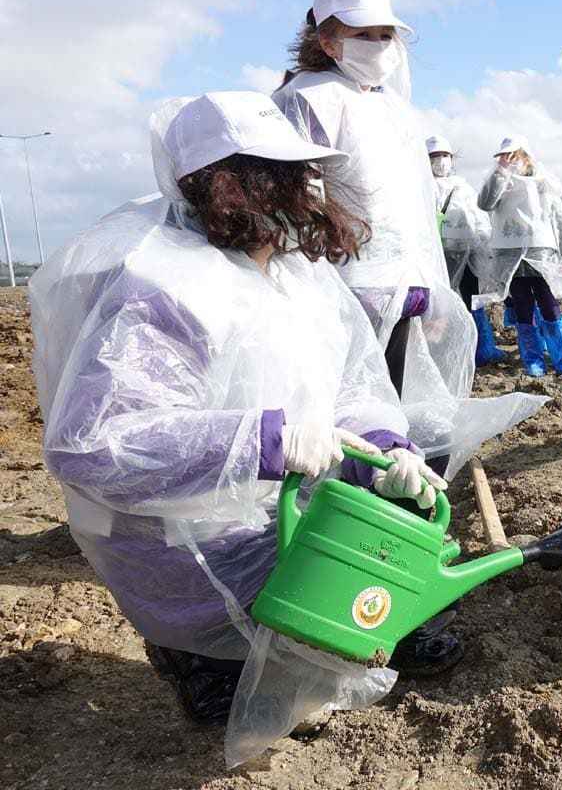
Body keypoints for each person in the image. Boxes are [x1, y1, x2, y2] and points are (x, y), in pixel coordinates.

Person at [29, 92, 446, 732]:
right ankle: (192, 650)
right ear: (225, 184)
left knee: (381, 629)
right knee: (254, 692)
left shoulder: (299, 276)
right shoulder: (167, 284)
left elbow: (355, 383)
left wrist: (385, 447)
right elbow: (94, 444)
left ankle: (275, 631)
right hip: (187, 535)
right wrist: (262, 442)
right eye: (283, 172)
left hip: (282, 511)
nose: (307, 187)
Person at [273, 0, 544, 469]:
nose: (379, 45)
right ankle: (344, 511)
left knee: (394, 420)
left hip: (401, 289)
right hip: (345, 289)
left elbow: (413, 210)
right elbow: (299, 201)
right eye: (364, 35)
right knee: (345, 415)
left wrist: (429, 290)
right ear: (328, 40)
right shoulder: (307, 99)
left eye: (386, 35)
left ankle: (391, 515)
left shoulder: (392, 108)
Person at [476, 136, 562, 378]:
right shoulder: (500, 184)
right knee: (523, 307)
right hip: (510, 256)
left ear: (527, 156)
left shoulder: (544, 183)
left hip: (541, 252)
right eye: (506, 157)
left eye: (515, 155)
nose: (511, 161)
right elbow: (485, 203)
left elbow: (560, 221)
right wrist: (501, 172)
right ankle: (532, 358)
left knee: (548, 303)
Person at [426, 134, 504, 366]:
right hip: (438, 252)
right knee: (441, 300)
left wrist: (482, 246)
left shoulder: (461, 187)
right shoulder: (421, 186)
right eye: (435, 156)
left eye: (444, 156)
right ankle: (444, 348)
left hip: (464, 252)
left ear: (452, 158)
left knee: (471, 297)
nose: (440, 161)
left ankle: (480, 346)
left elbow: (478, 218)